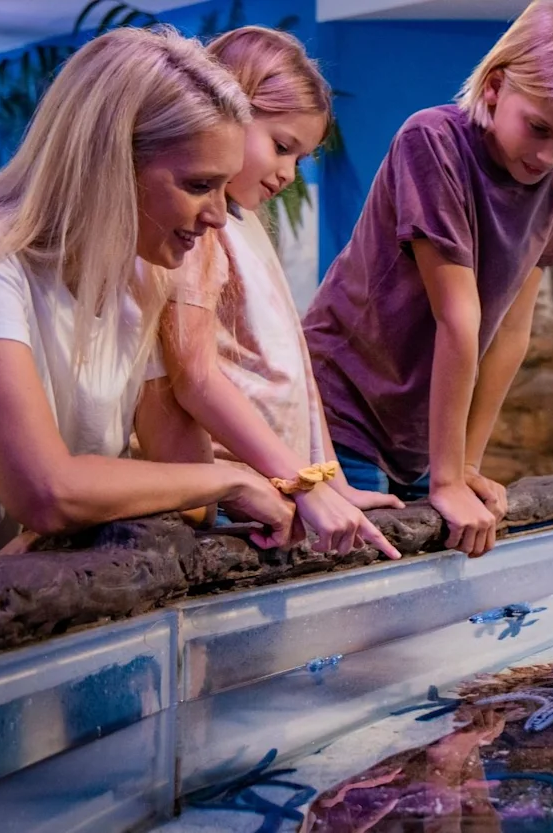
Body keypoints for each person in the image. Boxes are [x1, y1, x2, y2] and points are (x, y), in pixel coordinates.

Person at [0, 25, 296, 585]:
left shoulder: (145, 274)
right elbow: (46, 490)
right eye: (199, 184)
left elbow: (182, 485)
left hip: (18, 568)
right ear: (109, 161)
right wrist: (233, 481)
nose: (215, 216)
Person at [302, 0, 553, 558]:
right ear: (498, 86)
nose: (551, 156)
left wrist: (464, 464)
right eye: (539, 128)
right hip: (343, 407)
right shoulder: (432, 141)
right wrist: (448, 481)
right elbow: (458, 315)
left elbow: (510, 331)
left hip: (419, 435)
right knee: (356, 589)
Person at [153, 26, 402, 560]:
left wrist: (329, 480)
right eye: (281, 147)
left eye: (301, 159)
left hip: (282, 489)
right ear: (228, 111)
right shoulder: (196, 230)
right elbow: (194, 377)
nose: (288, 174)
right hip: (233, 497)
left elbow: (297, 379)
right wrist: (304, 487)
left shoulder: (244, 224)